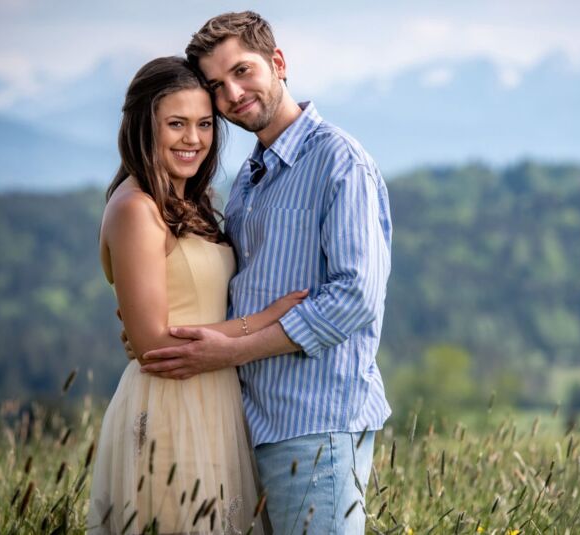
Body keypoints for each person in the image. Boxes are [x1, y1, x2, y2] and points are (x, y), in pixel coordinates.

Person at [136, 11, 393, 534]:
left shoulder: (338, 161)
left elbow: (356, 296)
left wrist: (231, 349)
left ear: (278, 63)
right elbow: (242, 293)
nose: (231, 93)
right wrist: (168, 331)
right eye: (216, 86)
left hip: (316, 425)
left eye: (242, 71)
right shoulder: (252, 179)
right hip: (247, 424)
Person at [89, 56, 305, 534]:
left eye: (204, 124)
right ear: (144, 128)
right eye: (176, 124)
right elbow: (153, 345)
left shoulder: (191, 203)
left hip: (216, 400)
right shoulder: (135, 209)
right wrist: (263, 320)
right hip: (170, 408)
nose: (193, 139)